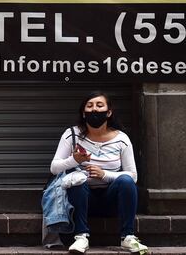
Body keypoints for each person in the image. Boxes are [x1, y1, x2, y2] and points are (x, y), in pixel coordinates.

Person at [49, 92, 149, 254]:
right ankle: (81, 237)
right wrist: (74, 160)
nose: (94, 110)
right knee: (76, 179)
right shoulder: (72, 134)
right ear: (83, 113)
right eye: (89, 106)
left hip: (111, 200)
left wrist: (105, 175)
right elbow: (54, 168)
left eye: (99, 105)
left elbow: (133, 175)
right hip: (81, 200)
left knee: (126, 181)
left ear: (109, 112)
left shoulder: (121, 139)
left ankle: (128, 237)